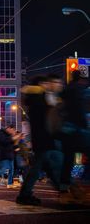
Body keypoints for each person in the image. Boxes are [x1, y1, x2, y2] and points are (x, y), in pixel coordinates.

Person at [16, 75, 63, 205]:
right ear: (41, 84)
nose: (49, 85)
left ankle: (63, 191)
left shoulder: (35, 99)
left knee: (47, 168)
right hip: (44, 139)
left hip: (41, 140)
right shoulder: (40, 99)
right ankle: (24, 195)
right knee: (41, 168)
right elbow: (46, 120)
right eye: (47, 83)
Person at [58, 70, 90, 203]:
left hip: (66, 130)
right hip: (78, 129)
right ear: (81, 79)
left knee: (68, 160)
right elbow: (79, 110)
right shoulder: (80, 90)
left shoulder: (64, 91)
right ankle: (85, 184)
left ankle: (63, 191)